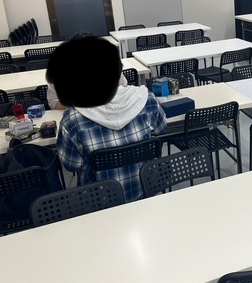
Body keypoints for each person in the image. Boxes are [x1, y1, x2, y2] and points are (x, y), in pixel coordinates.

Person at [46, 36, 167, 202]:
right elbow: (161, 129)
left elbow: (71, 164)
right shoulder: (146, 98)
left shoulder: (72, 119)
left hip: (99, 201)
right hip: (145, 189)